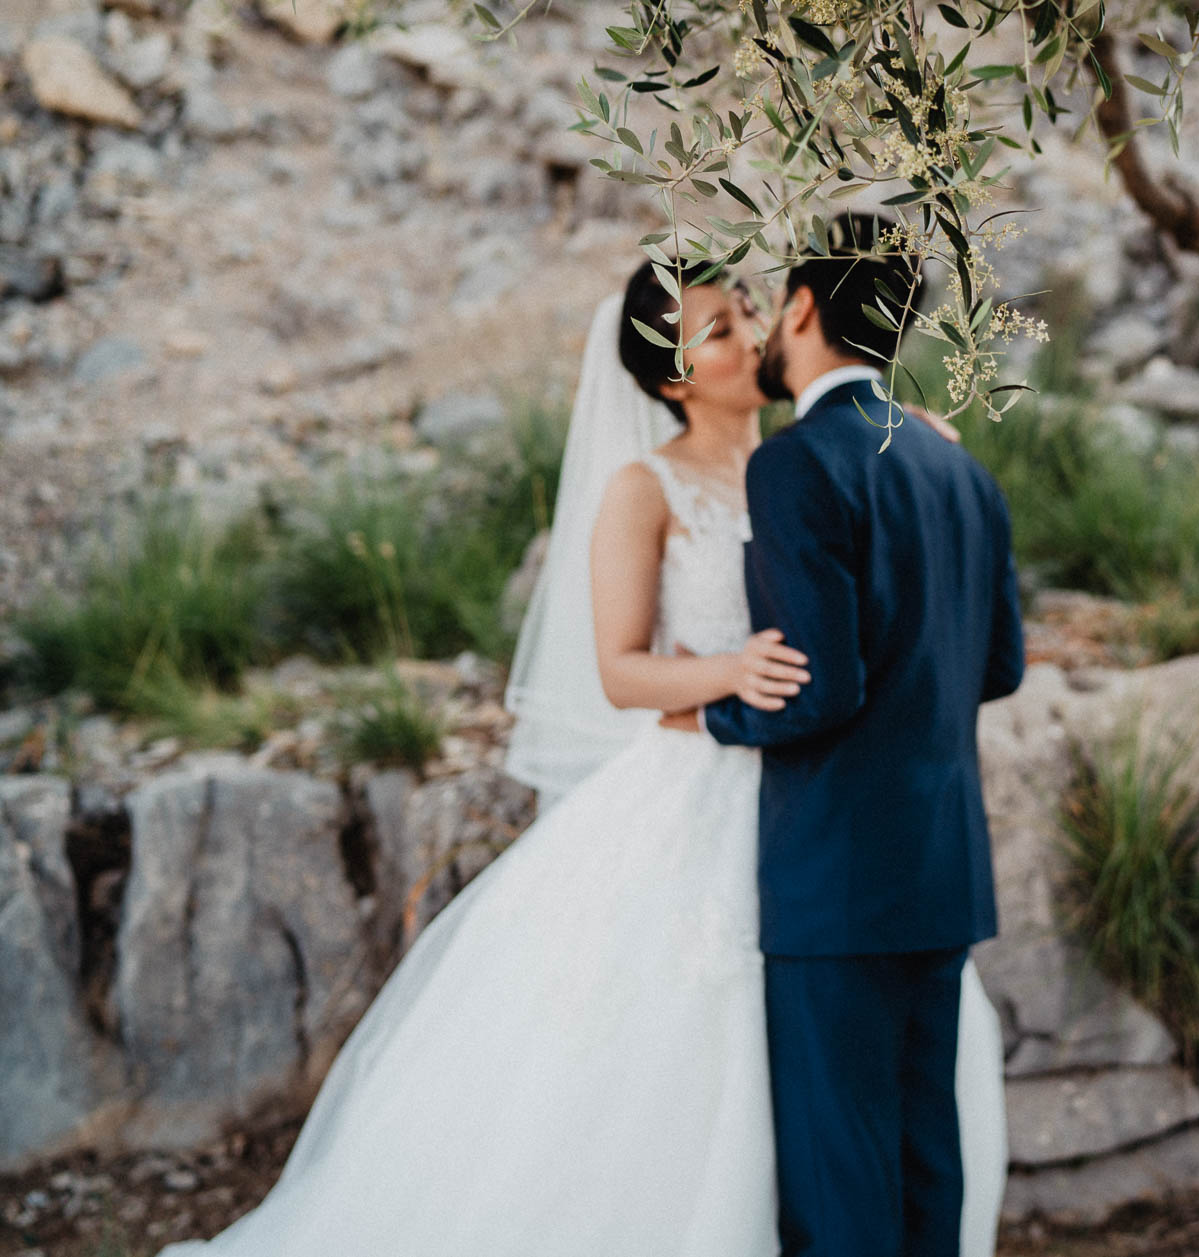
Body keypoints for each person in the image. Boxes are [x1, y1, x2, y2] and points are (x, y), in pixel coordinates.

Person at [156, 258, 1009, 1256]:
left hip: (826, 807)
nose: (750, 334)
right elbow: (620, 670)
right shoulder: (647, 489)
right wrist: (729, 673)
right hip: (704, 788)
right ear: (671, 375)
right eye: (721, 331)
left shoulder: (819, 463)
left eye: (748, 314)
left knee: (856, 1093)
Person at [677, 213, 1026, 1257]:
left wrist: (712, 709)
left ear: (799, 309)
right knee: (929, 1180)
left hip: (836, 881)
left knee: (840, 1194)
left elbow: (815, 690)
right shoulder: (959, 466)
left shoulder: (794, 466)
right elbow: (999, 666)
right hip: (943, 871)